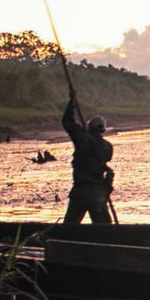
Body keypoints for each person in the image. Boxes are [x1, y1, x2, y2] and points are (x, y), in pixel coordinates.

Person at [61, 96, 114, 224]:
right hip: (98, 193)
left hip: (80, 191)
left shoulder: (81, 139)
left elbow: (68, 122)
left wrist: (71, 105)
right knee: (104, 229)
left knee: (69, 227)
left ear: (89, 127)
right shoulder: (107, 147)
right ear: (103, 130)